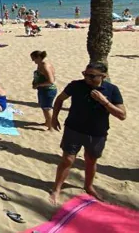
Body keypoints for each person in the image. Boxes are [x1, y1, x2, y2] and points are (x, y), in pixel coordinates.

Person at [49, 63, 126, 204]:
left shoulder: (112, 90)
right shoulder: (76, 85)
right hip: (73, 129)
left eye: (92, 76)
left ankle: (88, 186)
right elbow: (60, 99)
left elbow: (122, 115)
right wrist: (54, 118)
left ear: (103, 76)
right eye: (85, 74)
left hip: (97, 133)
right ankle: (56, 188)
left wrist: (105, 102)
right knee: (67, 159)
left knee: (91, 160)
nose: (87, 78)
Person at [31, 51, 57, 131]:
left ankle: (50, 127)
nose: (33, 61)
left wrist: (38, 85)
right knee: (44, 107)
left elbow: (51, 81)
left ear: (38, 57)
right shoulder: (41, 64)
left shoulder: (45, 66)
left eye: (33, 58)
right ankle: (47, 122)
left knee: (47, 109)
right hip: (43, 90)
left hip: (48, 90)